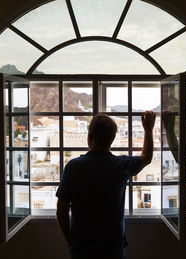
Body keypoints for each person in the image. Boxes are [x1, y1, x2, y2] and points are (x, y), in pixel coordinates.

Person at [56, 111, 156, 259]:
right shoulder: (121, 166)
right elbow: (146, 157)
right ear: (112, 139)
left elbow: (61, 211)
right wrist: (148, 129)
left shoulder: (73, 167)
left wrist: (71, 242)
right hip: (113, 248)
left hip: (81, 249)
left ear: (89, 136)